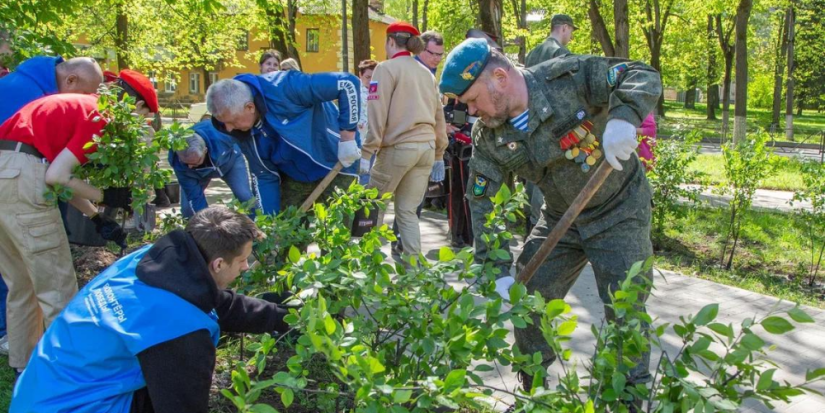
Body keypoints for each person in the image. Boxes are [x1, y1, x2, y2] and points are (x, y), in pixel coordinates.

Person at [439, 38, 661, 393]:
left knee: (625, 310)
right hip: (561, 218)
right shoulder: (488, 137)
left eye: (471, 100)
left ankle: (627, 399)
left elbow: (639, 73)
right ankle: (534, 389)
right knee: (527, 297)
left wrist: (624, 117)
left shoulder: (567, 78)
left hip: (620, 210)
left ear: (499, 77)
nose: (472, 112)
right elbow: (481, 202)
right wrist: (493, 269)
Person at [11, 206, 291, 412]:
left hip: (41, 391)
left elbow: (219, 302)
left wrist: (289, 316)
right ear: (218, 264)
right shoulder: (178, 332)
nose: (245, 267)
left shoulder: (149, 262)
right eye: (242, 260)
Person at [0, 94, 132, 375]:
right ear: (135, 106)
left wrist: (96, 216)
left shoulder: (67, 106)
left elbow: (46, 171)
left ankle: (25, 370)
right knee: (57, 288)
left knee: (21, 285)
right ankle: (75, 374)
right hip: (23, 179)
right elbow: (55, 177)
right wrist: (107, 195)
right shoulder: (99, 115)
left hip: (6, 172)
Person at [206, 70, 362, 215]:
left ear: (250, 107)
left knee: (335, 236)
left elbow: (347, 83)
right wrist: (268, 224)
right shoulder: (243, 133)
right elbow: (264, 175)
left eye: (232, 121)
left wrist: (347, 138)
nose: (229, 128)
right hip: (294, 175)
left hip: (337, 163)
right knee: (289, 236)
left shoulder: (286, 86)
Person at [359, 22, 448, 257]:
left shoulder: (385, 69)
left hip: (398, 148)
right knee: (407, 213)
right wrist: (439, 154)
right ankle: (413, 274)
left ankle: (363, 270)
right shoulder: (426, 75)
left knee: (370, 207)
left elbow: (376, 114)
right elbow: (439, 117)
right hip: (426, 149)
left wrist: (367, 152)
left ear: (390, 41)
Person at [524, 14, 578, 233]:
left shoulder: (532, 53)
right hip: (556, 127)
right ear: (564, 28)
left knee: (533, 179)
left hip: (531, 123)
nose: (571, 36)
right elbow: (571, 92)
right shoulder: (561, 53)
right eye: (572, 31)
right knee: (551, 182)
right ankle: (544, 232)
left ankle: (531, 229)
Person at [170, 120, 254, 217]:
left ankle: (257, 225)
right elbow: (195, 198)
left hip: (230, 163)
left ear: (205, 151)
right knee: (188, 209)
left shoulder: (220, 133)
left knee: (245, 196)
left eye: (194, 163)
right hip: (194, 175)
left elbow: (246, 141)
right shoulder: (176, 160)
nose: (190, 166)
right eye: (186, 163)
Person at [0, 55, 102, 124]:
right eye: (84, 95)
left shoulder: (23, 78)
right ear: (71, 80)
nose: (84, 102)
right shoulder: (34, 100)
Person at [357, 59, 378, 185]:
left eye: (373, 77)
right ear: (360, 75)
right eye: (367, 77)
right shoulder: (355, 91)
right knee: (362, 173)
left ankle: (366, 200)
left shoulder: (378, 90)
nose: (370, 81)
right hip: (358, 140)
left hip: (374, 139)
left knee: (370, 173)